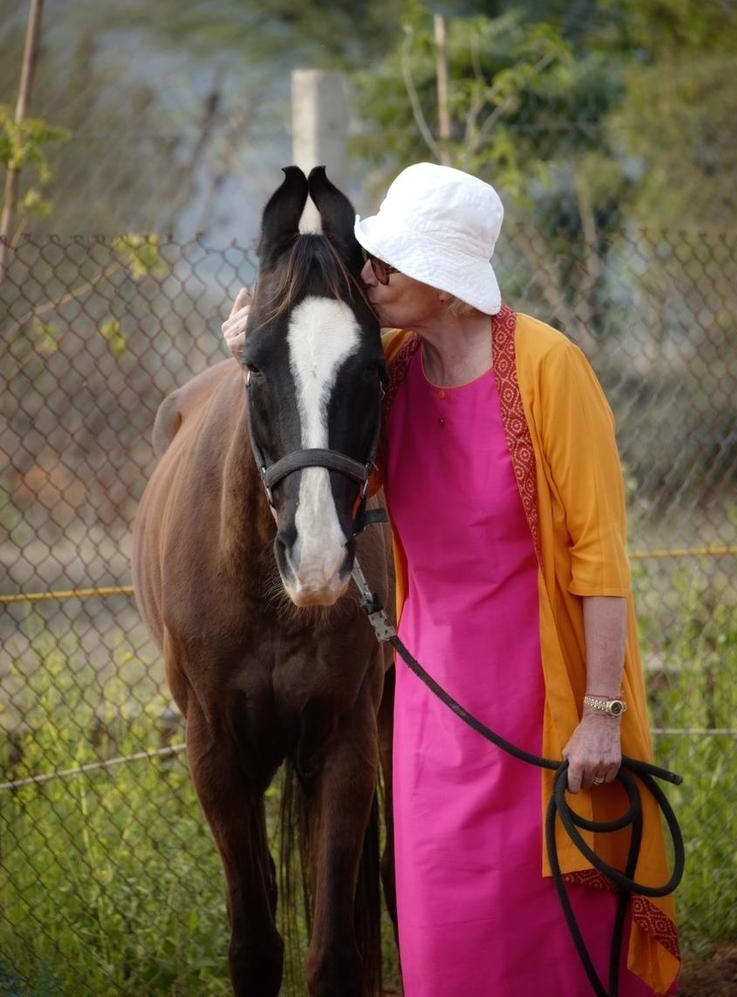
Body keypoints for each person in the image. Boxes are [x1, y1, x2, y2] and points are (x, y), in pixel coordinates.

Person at [222, 163, 679, 997]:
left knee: (553, 941)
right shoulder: (390, 369)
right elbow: (314, 410)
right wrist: (254, 345)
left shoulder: (549, 368)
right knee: (445, 938)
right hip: (435, 720)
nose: (369, 274)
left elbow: (599, 554)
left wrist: (600, 713)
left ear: (444, 282)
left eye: (389, 262)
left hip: (548, 707)